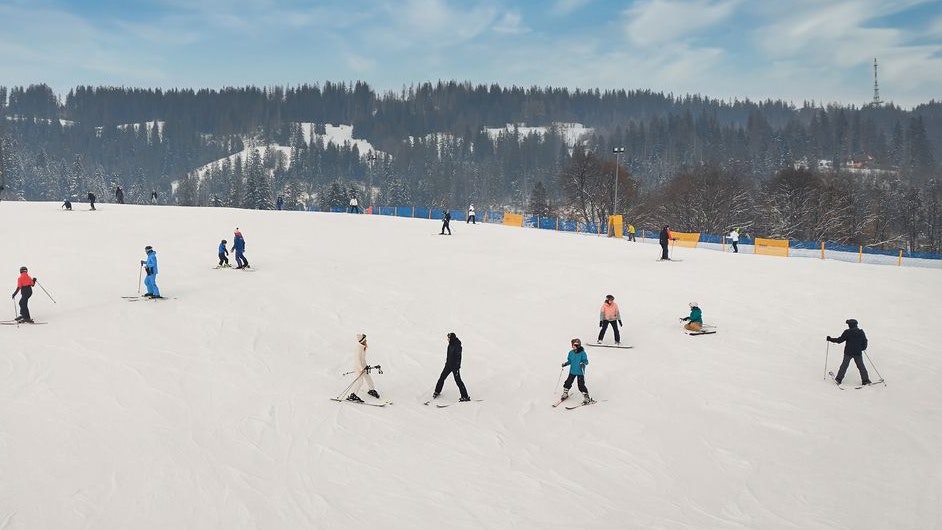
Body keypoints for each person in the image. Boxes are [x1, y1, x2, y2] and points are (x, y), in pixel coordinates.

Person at [828, 319, 871, 386]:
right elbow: (865, 341)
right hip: (857, 353)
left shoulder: (847, 332)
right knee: (861, 366)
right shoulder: (861, 332)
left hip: (848, 352)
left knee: (844, 366)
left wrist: (830, 339)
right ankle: (866, 380)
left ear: (850, 325)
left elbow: (839, 340)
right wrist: (863, 348)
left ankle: (838, 379)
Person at [433, 332, 470, 401]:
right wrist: (447, 363)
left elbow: (459, 357)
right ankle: (437, 391)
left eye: (448, 338)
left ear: (451, 338)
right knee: (442, 378)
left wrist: (457, 367)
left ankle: (465, 396)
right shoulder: (450, 345)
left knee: (458, 381)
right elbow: (449, 356)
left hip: (455, 367)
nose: (447, 339)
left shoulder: (457, 346)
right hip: (448, 365)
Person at [347, 333, 381, 402]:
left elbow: (363, 359)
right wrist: (361, 368)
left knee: (368, 378)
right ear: (363, 341)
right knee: (360, 381)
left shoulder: (362, 347)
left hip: (363, 367)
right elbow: (357, 360)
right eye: (365, 340)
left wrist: (365, 367)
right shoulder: (358, 348)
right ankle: (352, 395)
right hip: (358, 367)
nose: (366, 341)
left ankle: (371, 390)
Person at [560, 338, 593, 404]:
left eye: (575, 345)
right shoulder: (571, 353)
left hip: (580, 372)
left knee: (581, 385)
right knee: (568, 382)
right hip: (572, 371)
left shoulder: (582, 353)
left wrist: (583, 363)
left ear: (578, 345)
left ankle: (587, 397)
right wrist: (565, 364)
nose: (573, 346)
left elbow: (586, 361)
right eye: (573, 345)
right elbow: (570, 361)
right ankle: (565, 393)